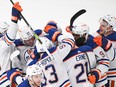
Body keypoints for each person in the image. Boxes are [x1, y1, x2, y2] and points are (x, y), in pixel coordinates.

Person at [0, 2, 23, 87]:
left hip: (10, 78)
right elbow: (10, 37)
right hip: (6, 81)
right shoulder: (2, 43)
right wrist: (14, 20)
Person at [93, 15, 116, 87]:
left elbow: (112, 57)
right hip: (100, 74)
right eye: (100, 24)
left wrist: (105, 44)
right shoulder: (97, 34)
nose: (100, 27)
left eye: (103, 25)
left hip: (112, 75)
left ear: (110, 27)